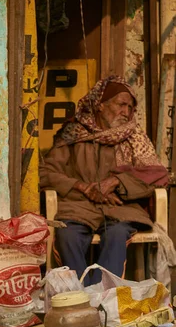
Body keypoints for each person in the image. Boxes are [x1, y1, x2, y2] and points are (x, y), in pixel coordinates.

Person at [39, 75, 168, 285]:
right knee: (67, 236)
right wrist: (82, 187)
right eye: (121, 105)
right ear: (100, 105)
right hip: (79, 206)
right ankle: (79, 297)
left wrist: (117, 182)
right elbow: (45, 172)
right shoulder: (73, 134)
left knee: (117, 235)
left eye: (130, 107)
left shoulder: (135, 137)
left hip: (120, 208)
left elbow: (156, 175)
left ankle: (103, 297)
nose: (126, 112)